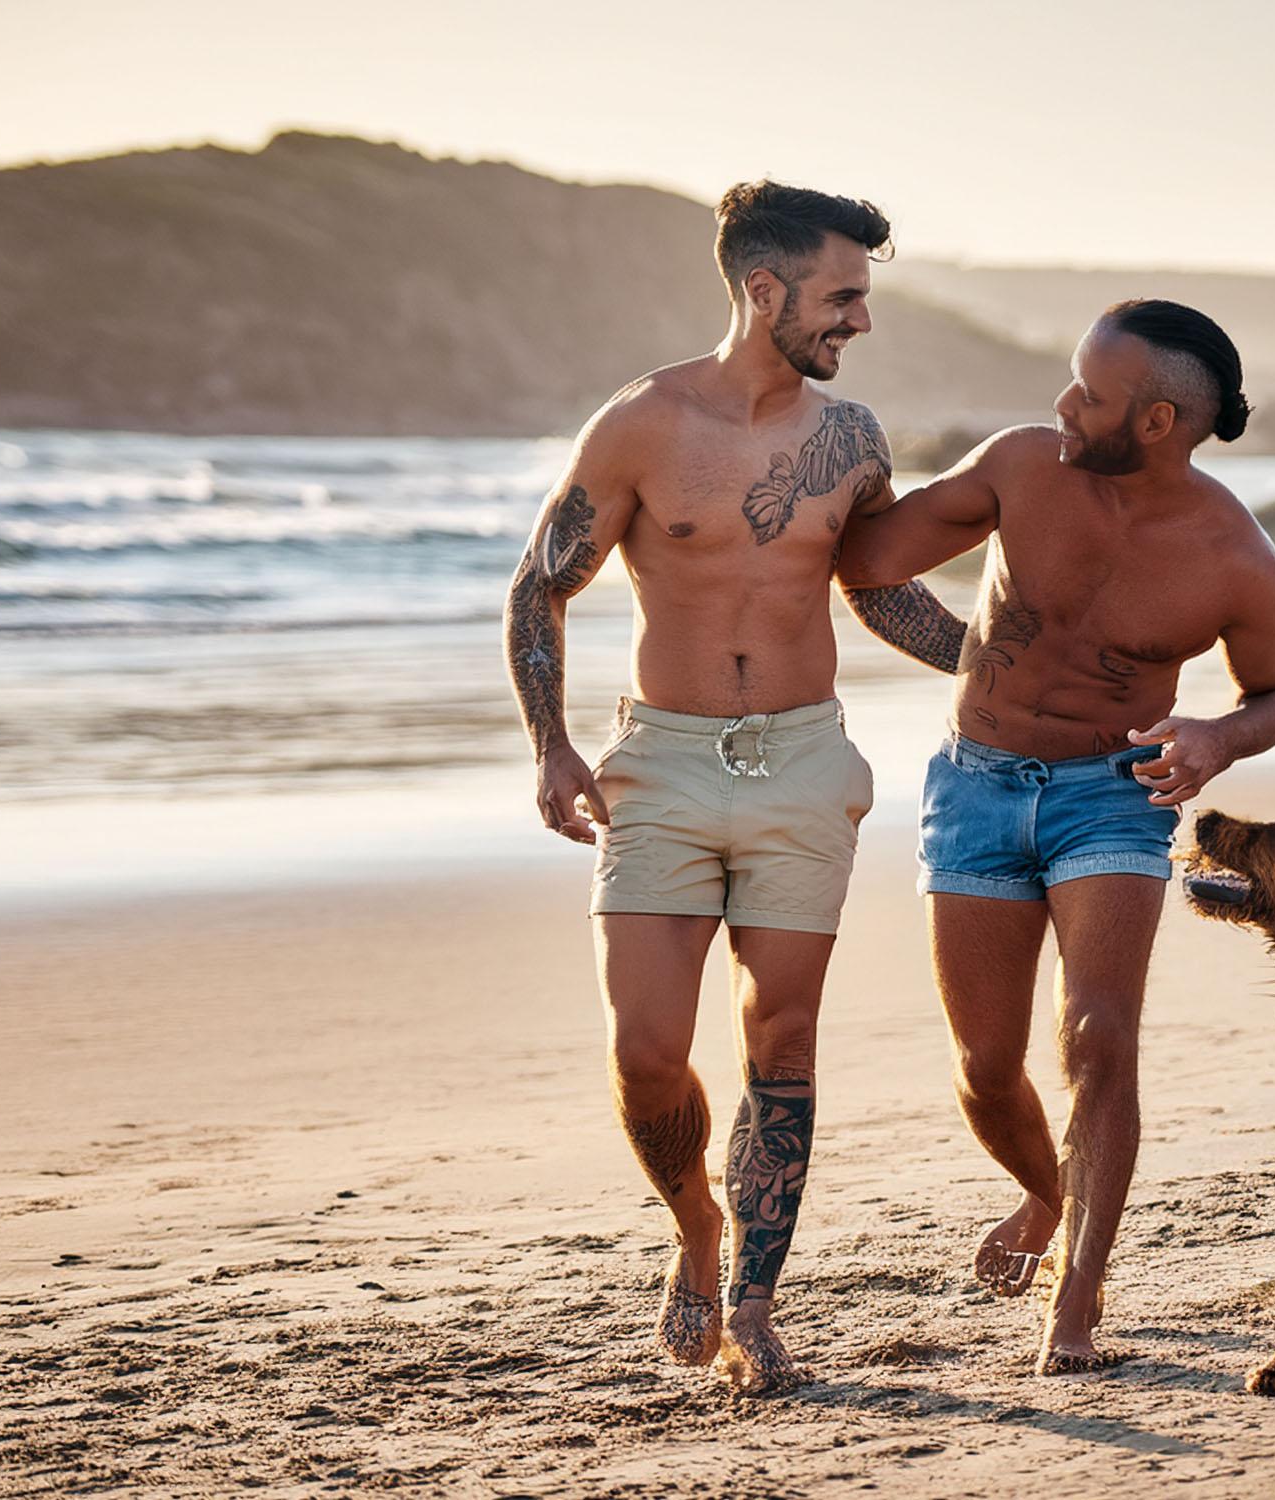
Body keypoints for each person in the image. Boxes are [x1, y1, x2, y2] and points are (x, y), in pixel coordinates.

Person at [503, 180, 932, 1394]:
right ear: (765, 288)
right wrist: (551, 745)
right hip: (666, 765)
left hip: (801, 759)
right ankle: (695, 1222)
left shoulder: (851, 442)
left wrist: (996, 657)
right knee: (646, 1050)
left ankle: (753, 1296)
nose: (859, 320)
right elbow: (542, 583)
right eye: (843, 295)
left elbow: (878, 587)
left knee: (781, 1037)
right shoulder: (643, 425)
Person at [833, 299, 1275, 1374]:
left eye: (1090, 393)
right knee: (987, 1068)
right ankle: (1047, 1194)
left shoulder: (1233, 554)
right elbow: (868, 559)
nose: (1063, 404)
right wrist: (835, 464)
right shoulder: (1022, 466)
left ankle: (1078, 1303)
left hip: (1113, 794)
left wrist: (1218, 736)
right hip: (976, 787)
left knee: (1098, 1037)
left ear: (1156, 421)